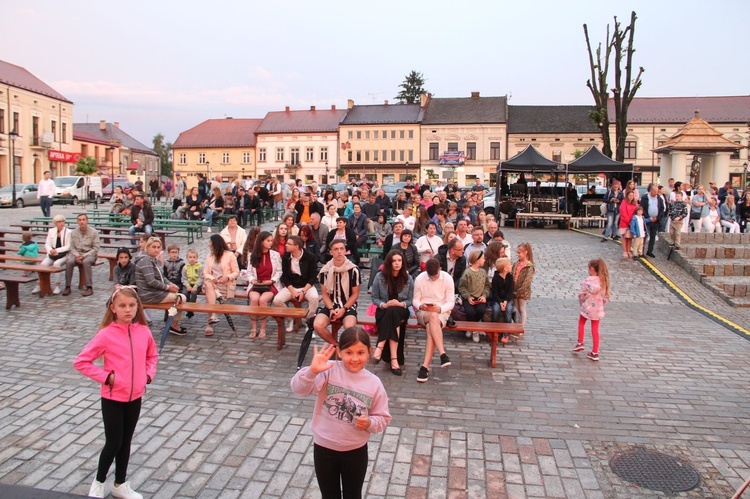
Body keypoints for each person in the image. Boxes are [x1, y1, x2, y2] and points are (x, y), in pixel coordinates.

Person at [74, 286, 157, 499]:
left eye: (131, 305)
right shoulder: (106, 334)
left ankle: (120, 484)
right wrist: (106, 377)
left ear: (137, 306)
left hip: (135, 396)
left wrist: (147, 376)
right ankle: (99, 482)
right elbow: (81, 362)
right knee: (113, 442)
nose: (127, 310)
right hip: (112, 397)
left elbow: (152, 356)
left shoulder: (144, 332)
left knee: (126, 442)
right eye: (122, 306)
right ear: (113, 308)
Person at [291, 327, 391, 499]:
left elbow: (383, 417)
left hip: (355, 451)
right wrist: (312, 371)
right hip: (324, 448)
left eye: (360, 352)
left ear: (369, 352)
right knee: (329, 495)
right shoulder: (328, 370)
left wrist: (369, 423)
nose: (354, 358)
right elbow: (298, 389)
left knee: (353, 495)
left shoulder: (374, 383)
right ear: (339, 351)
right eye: (348, 352)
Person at [371, 250, 414, 375]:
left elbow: (410, 300)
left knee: (394, 311)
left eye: (399, 260)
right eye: (394, 261)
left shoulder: (408, 278)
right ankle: (394, 359)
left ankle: (380, 346)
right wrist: (384, 304)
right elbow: (374, 297)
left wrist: (400, 304)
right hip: (384, 310)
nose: (397, 263)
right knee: (391, 312)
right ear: (389, 263)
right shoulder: (380, 277)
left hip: (401, 310)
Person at [313, 240, 361, 348]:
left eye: (341, 249)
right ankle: (337, 346)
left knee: (350, 328)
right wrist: (331, 309)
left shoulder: (353, 270)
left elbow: (355, 294)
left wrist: (343, 309)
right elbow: (325, 295)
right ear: (331, 252)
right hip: (331, 304)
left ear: (345, 251)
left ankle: (345, 348)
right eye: (336, 249)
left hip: (348, 305)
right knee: (317, 325)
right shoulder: (325, 271)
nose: (339, 252)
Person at [413, 258, 454, 383]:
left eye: (435, 276)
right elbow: (415, 300)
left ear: (440, 269)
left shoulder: (447, 278)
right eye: (430, 277)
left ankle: (425, 367)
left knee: (433, 323)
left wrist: (440, 308)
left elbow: (451, 302)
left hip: (441, 311)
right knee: (432, 317)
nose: (433, 279)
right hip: (424, 312)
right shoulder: (420, 278)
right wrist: (421, 306)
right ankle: (442, 353)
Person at [134, 237, 186, 335]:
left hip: (155, 292)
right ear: (148, 248)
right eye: (154, 247)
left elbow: (162, 277)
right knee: (181, 298)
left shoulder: (155, 260)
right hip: (148, 294)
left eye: (158, 247)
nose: (156, 249)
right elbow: (151, 281)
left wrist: (170, 283)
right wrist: (167, 288)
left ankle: (173, 323)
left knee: (179, 295)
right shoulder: (145, 260)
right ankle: (174, 325)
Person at [273, 235, 320, 332]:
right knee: (277, 300)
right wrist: (293, 291)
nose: (286, 245)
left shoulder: (310, 257)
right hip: (292, 286)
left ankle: (309, 323)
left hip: (307, 286)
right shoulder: (286, 256)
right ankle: (289, 319)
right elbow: (285, 277)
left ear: (296, 246)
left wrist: (303, 291)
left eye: (289, 244)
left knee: (314, 298)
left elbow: (312, 278)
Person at [572, 259, 610, 362]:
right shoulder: (603, 281)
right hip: (597, 309)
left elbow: (582, 293)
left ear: (592, 269)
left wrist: (581, 298)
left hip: (587, 307)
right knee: (595, 329)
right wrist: (602, 304)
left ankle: (580, 342)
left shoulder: (588, 280)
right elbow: (606, 297)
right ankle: (595, 352)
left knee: (581, 322)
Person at [203, 234, 240, 336]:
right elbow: (206, 273)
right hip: (213, 284)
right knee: (209, 286)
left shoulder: (229, 255)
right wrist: (212, 278)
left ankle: (210, 321)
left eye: (210, 243)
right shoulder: (209, 256)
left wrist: (227, 277)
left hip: (225, 285)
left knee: (209, 292)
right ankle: (212, 317)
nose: (208, 245)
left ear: (215, 244)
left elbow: (236, 272)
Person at [247, 231, 282, 339]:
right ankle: (253, 328)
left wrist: (272, 280)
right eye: (268, 240)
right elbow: (249, 272)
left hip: (270, 284)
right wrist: (253, 280)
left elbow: (279, 272)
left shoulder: (275, 255)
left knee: (262, 300)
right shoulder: (252, 255)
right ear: (261, 242)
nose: (271, 243)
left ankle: (263, 328)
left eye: (271, 240)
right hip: (256, 284)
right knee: (254, 300)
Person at [62, 214, 100, 297]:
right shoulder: (73, 232)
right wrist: (77, 255)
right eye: (79, 220)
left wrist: (84, 256)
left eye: (83, 220)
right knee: (69, 262)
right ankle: (67, 286)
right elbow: (72, 247)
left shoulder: (94, 232)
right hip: (77, 253)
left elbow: (95, 248)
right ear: (77, 221)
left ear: (87, 221)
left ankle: (89, 287)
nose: (81, 222)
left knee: (86, 262)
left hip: (90, 254)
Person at [459, 249, 490, 342]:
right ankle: (472, 328)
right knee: (470, 312)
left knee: (481, 310)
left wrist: (484, 295)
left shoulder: (483, 272)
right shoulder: (467, 273)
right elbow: (462, 287)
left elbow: (487, 286)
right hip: (469, 297)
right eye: (483, 258)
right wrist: (468, 297)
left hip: (480, 297)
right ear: (477, 260)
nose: (484, 260)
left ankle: (474, 328)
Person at [491, 257, 514, 343]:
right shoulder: (496, 278)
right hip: (498, 299)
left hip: (507, 299)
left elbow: (510, 291)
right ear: (505, 268)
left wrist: (506, 301)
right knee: (496, 310)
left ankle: (506, 332)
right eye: (509, 265)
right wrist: (500, 302)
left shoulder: (510, 277)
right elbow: (495, 292)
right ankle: (493, 330)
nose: (511, 266)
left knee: (508, 310)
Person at [639, 184, 666, 258]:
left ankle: (650, 251)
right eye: (654, 191)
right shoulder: (645, 198)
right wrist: (648, 217)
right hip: (647, 220)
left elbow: (662, 209)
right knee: (645, 235)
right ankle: (641, 251)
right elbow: (642, 209)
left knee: (653, 236)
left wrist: (657, 217)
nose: (655, 193)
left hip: (656, 220)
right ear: (650, 190)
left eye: (657, 191)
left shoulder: (659, 198)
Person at [512, 243, 535, 328]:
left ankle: (522, 325)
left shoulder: (529, 266)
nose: (518, 255)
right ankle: (517, 323)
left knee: (522, 308)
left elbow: (527, 281)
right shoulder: (516, 263)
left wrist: (520, 290)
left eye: (519, 253)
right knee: (516, 308)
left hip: (523, 291)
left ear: (526, 252)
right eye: (517, 253)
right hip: (514, 289)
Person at [181, 249, 203, 319]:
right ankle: (188, 308)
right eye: (190, 257)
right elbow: (183, 278)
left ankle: (191, 308)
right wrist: (187, 285)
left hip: (196, 284)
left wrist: (196, 285)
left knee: (193, 293)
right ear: (187, 258)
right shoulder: (185, 267)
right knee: (185, 293)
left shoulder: (200, 266)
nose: (192, 259)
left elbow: (201, 277)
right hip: (188, 283)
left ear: (197, 258)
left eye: (194, 257)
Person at [618, 190, 638, 258]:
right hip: (624, 223)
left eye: (632, 195)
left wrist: (633, 222)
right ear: (627, 196)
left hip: (632, 223)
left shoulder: (634, 203)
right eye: (630, 195)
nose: (631, 197)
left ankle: (629, 250)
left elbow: (636, 212)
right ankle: (625, 251)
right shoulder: (624, 202)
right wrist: (628, 221)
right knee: (624, 237)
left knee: (629, 238)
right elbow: (623, 212)